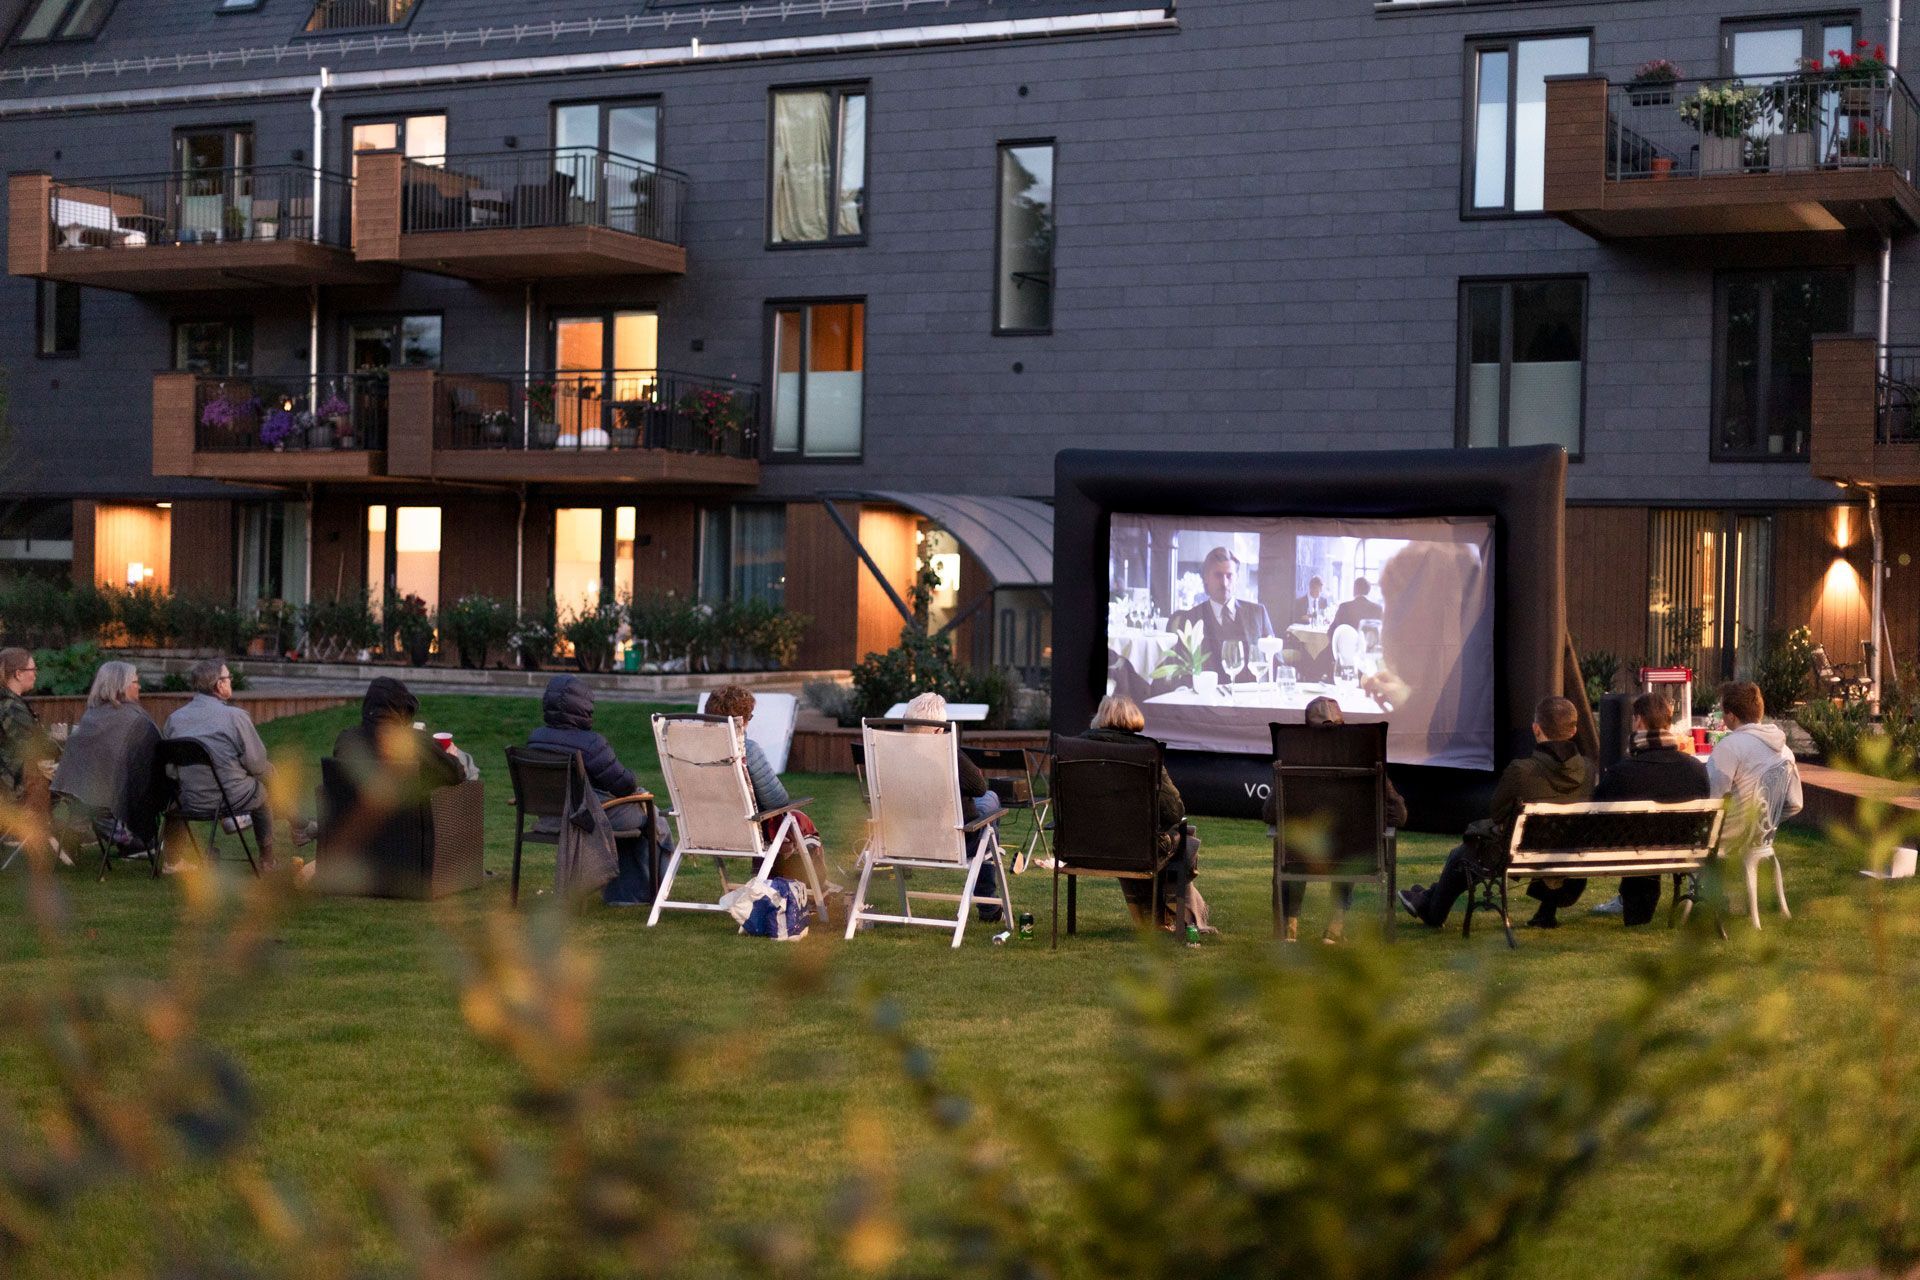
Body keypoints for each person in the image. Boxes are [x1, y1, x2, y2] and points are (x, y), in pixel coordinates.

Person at [1398, 695, 1592, 930]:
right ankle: (1425, 897)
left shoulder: (1521, 771)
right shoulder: (1589, 771)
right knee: (1467, 853)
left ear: (1536, 729)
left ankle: (1431, 910)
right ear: (1573, 731)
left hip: (1516, 853)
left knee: (1461, 856)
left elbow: (1497, 812)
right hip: (1564, 851)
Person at [1263, 695, 1405, 943]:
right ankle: (1335, 929)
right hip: (1350, 853)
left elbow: (1269, 813)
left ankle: (1289, 928)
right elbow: (1399, 814)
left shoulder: (1292, 757)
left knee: (1294, 846)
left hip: (1301, 855)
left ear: (1306, 728)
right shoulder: (1364, 757)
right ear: (1342, 725)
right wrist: (1371, 823)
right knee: (1350, 842)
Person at [528, 674, 664, 907]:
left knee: (634, 815)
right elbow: (623, 785)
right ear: (584, 705)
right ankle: (638, 893)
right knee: (652, 815)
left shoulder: (536, 738)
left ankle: (627, 892)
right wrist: (634, 780)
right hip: (584, 819)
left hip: (551, 818)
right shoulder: (591, 744)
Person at [1083, 694, 1214, 934]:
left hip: (1085, 847)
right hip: (1136, 849)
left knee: (1162, 842)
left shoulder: (1077, 751)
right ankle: (1173, 917)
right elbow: (1174, 810)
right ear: (1132, 718)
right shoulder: (1146, 754)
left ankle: (1152, 919)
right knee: (1183, 840)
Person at [164, 658, 298, 871]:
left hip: (189, 799)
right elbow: (256, 764)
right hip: (228, 797)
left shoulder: (175, 719)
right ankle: (268, 859)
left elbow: (170, 770)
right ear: (219, 685)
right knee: (262, 790)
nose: (231, 682)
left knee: (173, 804)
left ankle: (172, 861)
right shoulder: (235, 717)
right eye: (228, 678)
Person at [1588, 691, 1708, 927]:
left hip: (1632, 846)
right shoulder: (1695, 768)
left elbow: (1596, 809)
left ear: (1639, 721)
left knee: (1636, 833)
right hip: (1681, 845)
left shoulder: (1622, 771)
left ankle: (1635, 908)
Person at [706, 682, 825, 888]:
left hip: (705, 827)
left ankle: (771, 880)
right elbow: (777, 800)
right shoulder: (747, 750)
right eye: (749, 717)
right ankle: (802, 885)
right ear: (741, 720)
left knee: (776, 822)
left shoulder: (690, 751)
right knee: (793, 820)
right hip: (745, 831)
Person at [904, 690, 1005, 923]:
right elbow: (978, 786)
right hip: (953, 841)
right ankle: (988, 904)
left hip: (904, 838)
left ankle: (988, 899)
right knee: (990, 798)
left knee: (986, 803)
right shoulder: (945, 750)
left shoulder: (888, 751)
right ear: (939, 730)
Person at [1706, 680, 1804, 911]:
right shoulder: (1785, 751)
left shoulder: (1730, 747)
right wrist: (1766, 822)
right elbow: (1795, 803)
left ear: (1730, 716)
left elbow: (1713, 797)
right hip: (1762, 836)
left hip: (1730, 834)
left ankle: (1717, 896)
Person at [50, 660, 165, 854]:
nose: (139, 687)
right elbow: (159, 756)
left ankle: (74, 833)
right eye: (135, 682)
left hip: (83, 799)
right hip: (117, 801)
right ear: (121, 686)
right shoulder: (136, 719)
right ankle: (142, 843)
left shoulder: (91, 716)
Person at [331, 676, 465, 794]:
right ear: (402, 709)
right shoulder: (413, 742)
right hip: (406, 822)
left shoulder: (346, 740)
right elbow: (456, 776)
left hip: (355, 822)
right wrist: (452, 757)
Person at [1168, 546, 1276, 681]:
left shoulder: (1257, 613)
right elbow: (1180, 671)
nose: (1224, 583)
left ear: (1237, 578)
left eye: (1229, 576)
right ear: (1206, 578)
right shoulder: (1190, 619)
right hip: (1208, 697)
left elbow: (1275, 662)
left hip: (1253, 697)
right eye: (1218, 575)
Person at [0, 646, 58, 859]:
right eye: (33, 668)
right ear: (18, 674)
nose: (36, 673)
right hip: (13, 784)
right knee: (71, 782)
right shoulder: (11, 707)